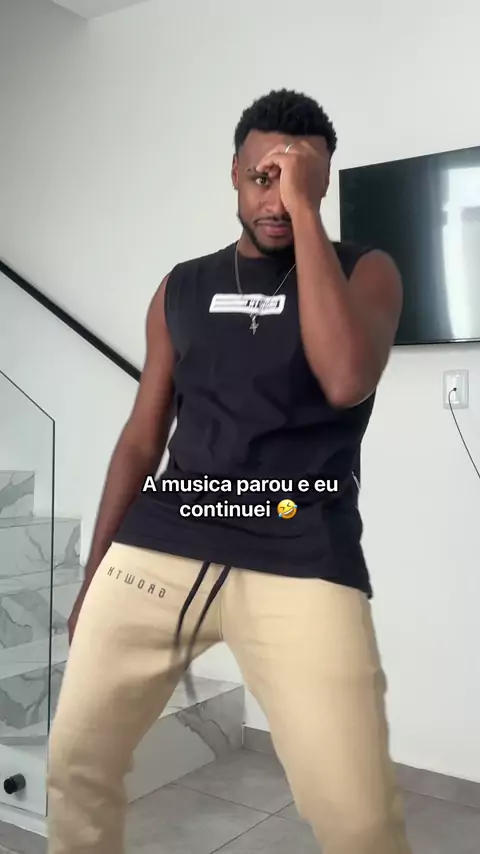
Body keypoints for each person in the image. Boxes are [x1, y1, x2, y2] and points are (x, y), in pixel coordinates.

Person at [47, 88, 410, 854]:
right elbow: (142, 438)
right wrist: (95, 573)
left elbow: (346, 377)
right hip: (160, 547)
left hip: (300, 556)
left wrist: (304, 213)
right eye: (261, 178)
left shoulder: (366, 273)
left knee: (359, 819)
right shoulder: (181, 287)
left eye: (297, 179)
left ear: (321, 182)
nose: (274, 199)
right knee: (75, 763)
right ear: (234, 175)